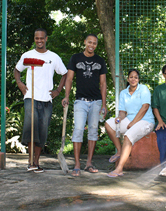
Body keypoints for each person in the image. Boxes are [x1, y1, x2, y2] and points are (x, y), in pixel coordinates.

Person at [14, 28, 67, 173]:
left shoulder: (54, 57)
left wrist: (57, 90)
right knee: (32, 129)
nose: (39, 41)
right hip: (30, 97)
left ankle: (36, 162)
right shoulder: (28, 55)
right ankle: (30, 162)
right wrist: (20, 83)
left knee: (42, 131)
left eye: (41, 38)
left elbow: (65, 73)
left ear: (46, 39)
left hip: (46, 99)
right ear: (34, 39)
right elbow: (17, 70)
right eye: (37, 38)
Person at [62, 34, 107, 177]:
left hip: (96, 102)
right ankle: (77, 164)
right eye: (89, 42)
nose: (92, 45)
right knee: (78, 130)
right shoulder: (75, 58)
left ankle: (89, 163)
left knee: (93, 131)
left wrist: (104, 104)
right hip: (80, 101)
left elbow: (103, 83)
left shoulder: (100, 61)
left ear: (96, 45)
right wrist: (66, 96)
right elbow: (69, 79)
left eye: (94, 43)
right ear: (85, 42)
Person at [105, 69, 155, 177]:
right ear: (128, 79)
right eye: (131, 77)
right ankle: (119, 151)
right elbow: (123, 112)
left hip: (145, 121)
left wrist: (133, 123)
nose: (133, 79)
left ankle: (119, 169)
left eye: (136, 77)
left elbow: (145, 107)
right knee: (109, 124)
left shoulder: (143, 89)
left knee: (127, 136)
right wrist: (119, 118)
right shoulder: (123, 93)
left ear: (138, 79)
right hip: (129, 119)